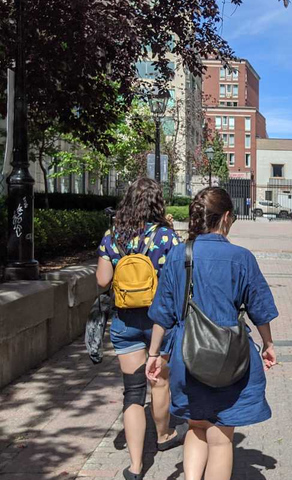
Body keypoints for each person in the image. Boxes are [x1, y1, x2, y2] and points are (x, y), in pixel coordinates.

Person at [145, 187, 278, 480]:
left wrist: (154, 354)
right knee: (220, 435)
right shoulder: (241, 258)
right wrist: (268, 343)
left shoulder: (179, 255)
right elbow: (260, 308)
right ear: (227, 218)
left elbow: (162, 313)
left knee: (196, 426)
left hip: (187, 353)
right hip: (230, 355)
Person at [95, 178, 185, 480]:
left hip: (124, 321)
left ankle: (135, 467)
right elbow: (176, 282)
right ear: (157, 203)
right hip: (159, 321)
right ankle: (163, 435)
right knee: (160, 383)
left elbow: (102, 281)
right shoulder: (166, 238)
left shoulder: (112, 236)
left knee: (133, 392)